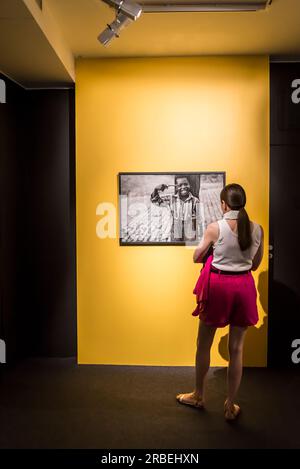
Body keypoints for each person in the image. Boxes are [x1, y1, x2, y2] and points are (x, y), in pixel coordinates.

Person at [176, 183, 264, 421]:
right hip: (244, 287)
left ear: (223, 204)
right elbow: (255, 265)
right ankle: (230, 405)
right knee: (236, 349)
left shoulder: (216, 227)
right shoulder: (257, 229)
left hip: (219, 287)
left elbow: (196, 256)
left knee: (203, 343)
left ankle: (198, 395)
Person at [150, 176, 200, 242]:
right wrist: (156, 190)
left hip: (190, 230)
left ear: (190, 185)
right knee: (176, 247)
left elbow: (198, 219)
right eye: (180, 185)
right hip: (175, 230)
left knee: (189, 248)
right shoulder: (171, 199)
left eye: (186, 184)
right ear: (176, 187)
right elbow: (155, 200)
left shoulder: (195, 200)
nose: (183, 187)